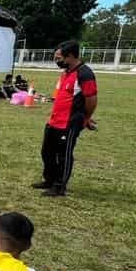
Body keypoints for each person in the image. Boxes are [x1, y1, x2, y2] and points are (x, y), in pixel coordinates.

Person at [32, 40, 97, 197]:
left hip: (69, 123)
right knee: (46, 152)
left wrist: (87, 117)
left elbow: (91, 98)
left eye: (59, 58)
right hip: (54, 121)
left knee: (64, 155)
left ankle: (59, 186)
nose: (57, 61)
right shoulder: (66, 72)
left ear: (70, 56)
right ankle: (49, 179)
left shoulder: (85, 73)